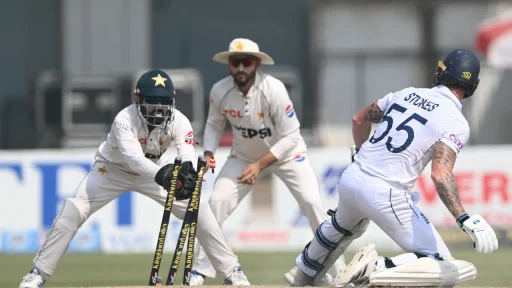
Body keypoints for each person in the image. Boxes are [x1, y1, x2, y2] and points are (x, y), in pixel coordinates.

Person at [284, 49, 499, 287]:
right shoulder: (456, 122)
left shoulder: (407, 93)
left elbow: (359, 119)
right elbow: (440, 174)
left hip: (353, 176)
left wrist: (360, 153)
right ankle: (373, 267)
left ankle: (302, 272)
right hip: (386, 192)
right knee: (443, 264)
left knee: (340, 226)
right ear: (473, 86)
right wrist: (463, 217)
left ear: (441, 72)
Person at [19, 69, 250, 288]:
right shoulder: (124, 120)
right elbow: (134, 160)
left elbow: (186, 154)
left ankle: (232, 272)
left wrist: (187, 175)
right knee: (73, 209)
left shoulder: (180, 121)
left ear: (172, 102)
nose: (158, 109)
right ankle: (37, 273)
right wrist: (165, 175)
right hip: (111, 170)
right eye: (152, 101)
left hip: (154, 171)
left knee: (197, 207)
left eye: (163, 102)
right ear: (138, 100)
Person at [188, 37, 345, 285]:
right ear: (229, 64)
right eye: (235, 62)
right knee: (216, 203)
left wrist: (260, 165)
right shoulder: (220, 91)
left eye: (246, 62)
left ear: (257, 64)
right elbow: (213, 124)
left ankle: (339, 271)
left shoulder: (274, 89)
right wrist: (208, 152)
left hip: (288, 156)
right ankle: (199, 272)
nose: (241, 68)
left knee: (312, 203)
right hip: (243, 156)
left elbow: (292, 135)